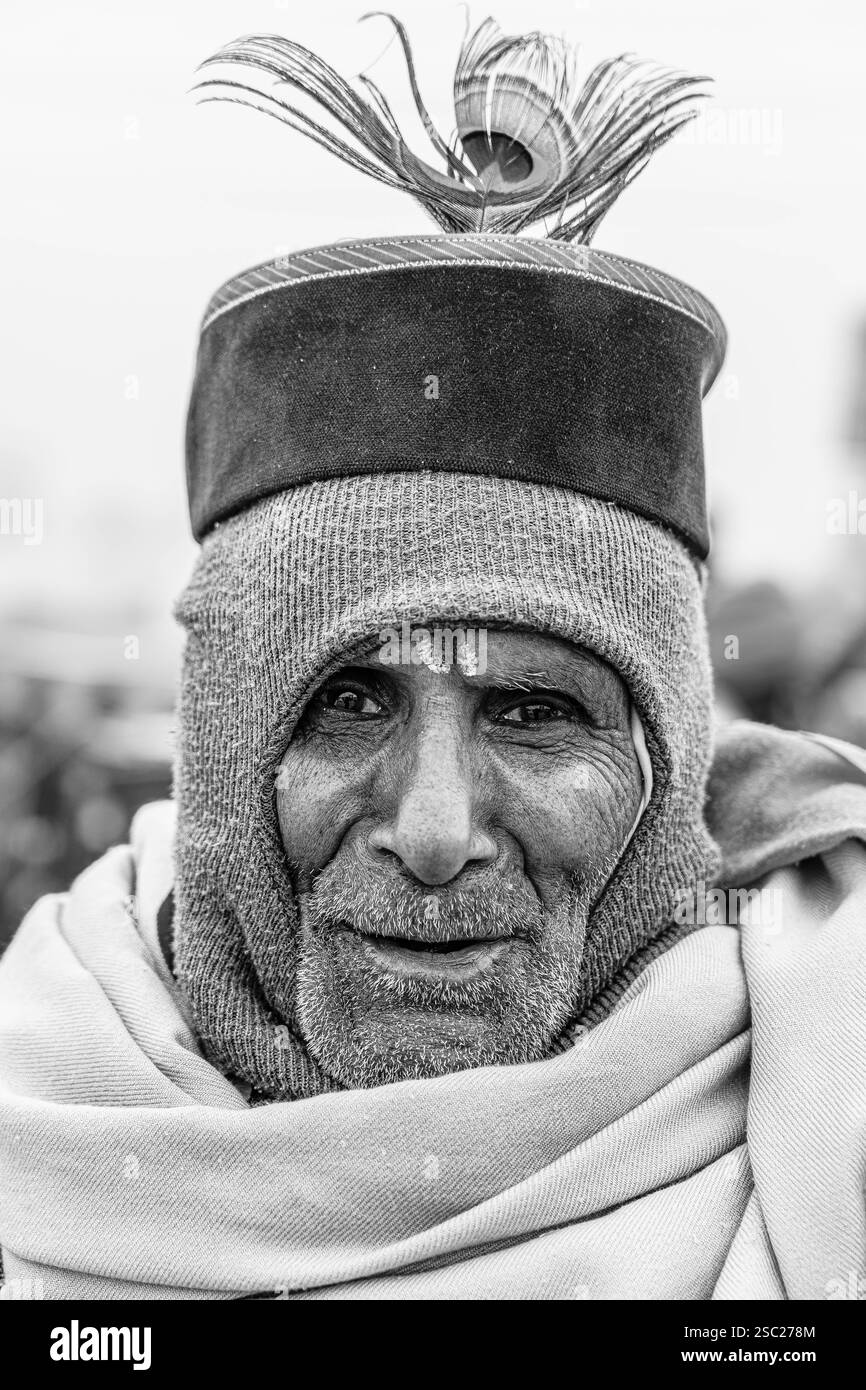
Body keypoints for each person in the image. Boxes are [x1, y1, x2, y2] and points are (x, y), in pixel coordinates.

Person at [1, 15, 865, 1302]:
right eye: (346, 700)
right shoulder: (49, 1082)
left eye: (533, 711)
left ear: (665, 757)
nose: (434, 829)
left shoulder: (830, 1065)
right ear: (225, 746)